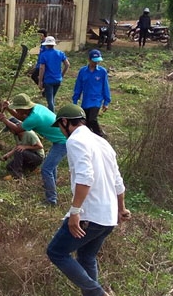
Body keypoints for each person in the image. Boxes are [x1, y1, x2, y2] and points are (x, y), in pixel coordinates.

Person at [46, 103, 131, 296]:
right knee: (86, 256)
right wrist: (121, 208)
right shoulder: (101, 142)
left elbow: (85, 178)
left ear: (65, 122)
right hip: (108, 217)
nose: (61, 130)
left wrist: (75, 212)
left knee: (56, 252)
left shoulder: (75, 141)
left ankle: (98, 293)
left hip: (89, 215)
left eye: (60, 126)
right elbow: (118, 180)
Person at [0, 93, 67, 205]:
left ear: (22, 108)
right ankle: (50, 184)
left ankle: (51, 200)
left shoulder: (35, 117)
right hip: (60, 139)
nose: (17, 111)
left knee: (46, 169)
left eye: (17, 109)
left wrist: (4, 119)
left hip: (63, 142)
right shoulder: (36, 108)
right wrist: (9, 109)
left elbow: (17, 129)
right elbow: (21, 117)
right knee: (51, 165)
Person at [72, 49, 110, 138]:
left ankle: (100, 136)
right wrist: (75, 100)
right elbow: (78, 86)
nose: (96, 63)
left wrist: (106, 102)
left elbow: (105, 86)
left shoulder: (102, 72)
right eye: (94, 61)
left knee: (92, 119)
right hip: (86, 101)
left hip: (96, 100)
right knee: (86, 122)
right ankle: (90, 138)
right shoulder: (82, 71)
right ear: (89, 60)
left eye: (98, 61)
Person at [38, 35, 70, 113]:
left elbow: (42, 68)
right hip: (57, 79)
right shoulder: (60, 53)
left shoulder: (44, 55)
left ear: (46, 45)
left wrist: (40, 81)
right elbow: (67, 64)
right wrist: (62, 75)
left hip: (48, 80)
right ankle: (50, 113)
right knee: (52, 98)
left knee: (50, 101)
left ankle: (52, 118)